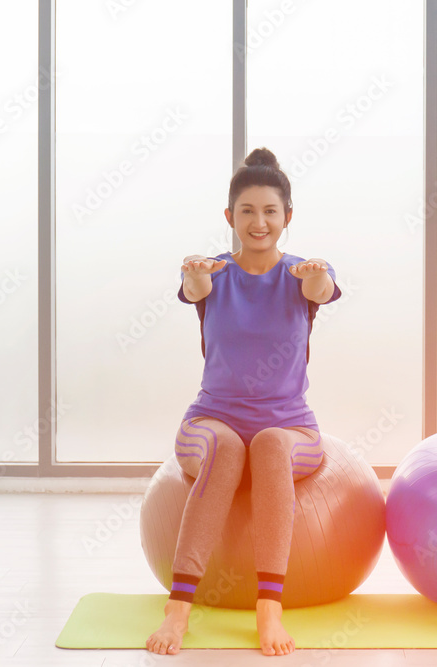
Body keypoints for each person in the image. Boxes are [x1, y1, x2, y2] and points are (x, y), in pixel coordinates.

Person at [146, 147, 340, 657]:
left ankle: (268, 607)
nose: (260, 222)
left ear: (287, 218)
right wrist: (193, 273)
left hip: (291, 427)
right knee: (229, 451)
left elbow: (322, 290)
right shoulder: (214, 272)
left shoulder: (304, 272)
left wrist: (317, 276)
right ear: (230, 217)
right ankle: (179, 608)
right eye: (248, 211)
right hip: (209, 423)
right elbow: (194, 288)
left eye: (271, 211)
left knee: (271, 446)